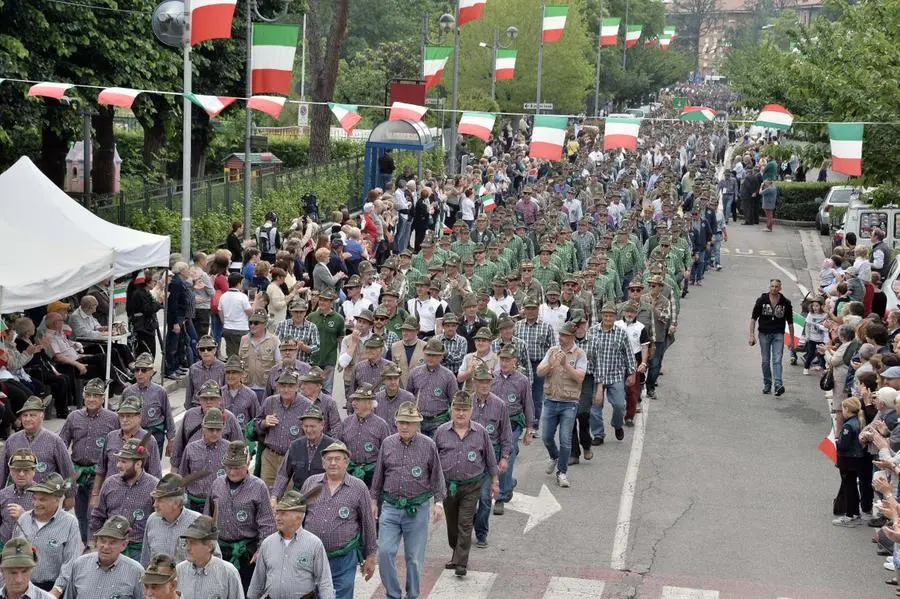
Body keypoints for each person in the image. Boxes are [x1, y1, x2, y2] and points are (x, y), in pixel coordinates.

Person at [370, 402, 445, 599]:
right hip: (391, 507)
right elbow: (379, 475)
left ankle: (413, 595)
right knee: (385, 552)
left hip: (417, 509)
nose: (405, 426)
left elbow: (437, 476)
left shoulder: (428, 445)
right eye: (401, 422)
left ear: (418, 424)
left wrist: (438, 503)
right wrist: (373, 500)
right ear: (396, 423)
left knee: (414, 559)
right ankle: (393, 594)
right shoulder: (387, 443)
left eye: (410, 423)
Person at [300, 441, 377, 599]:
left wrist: (370, 556)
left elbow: (368, 524)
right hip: (311, 557)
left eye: (337, 459)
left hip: (343, 559)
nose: (333, 463)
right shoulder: (310, 483)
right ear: (323, 462)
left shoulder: (358, 487)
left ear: (346, 462)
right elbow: (299, 516)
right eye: (329, 459)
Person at [433, 391, 498, 577]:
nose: (460, 414)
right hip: (448, 487)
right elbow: (433, 461)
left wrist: (494, 481)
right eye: (457, 409)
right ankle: (456, 552)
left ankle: (461, 563)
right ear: (451, 410)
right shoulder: (441, 432)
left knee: (465, 523)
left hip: (472, 486)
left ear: (471, 411)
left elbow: (490, 459)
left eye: (464, 410)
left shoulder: (481, 432)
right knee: (452, 525)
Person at [204, 441, 275, 590]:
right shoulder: (217, 484)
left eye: (237, 467)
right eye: (229, 467)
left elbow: (267, 523)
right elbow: (207, 518)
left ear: (247, 464)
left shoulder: (258, 486)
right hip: (220, 551)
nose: (232, 472)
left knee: (246, 592)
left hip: (247, 553)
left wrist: (260, 550)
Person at [57, 378, 118, 545]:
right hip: (76, 474)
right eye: (89, 395)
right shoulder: (73, 417)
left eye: (96, 396)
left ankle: (95, 545)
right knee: (80, 514)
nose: (92, 399)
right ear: (83, 397)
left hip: (99, 474)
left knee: (94, 513)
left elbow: (119, 444)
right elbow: (62, 445)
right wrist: (66, 475)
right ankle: (85, 544)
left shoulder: (113, 419)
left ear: (103, 398)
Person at [247, 488, 335, 599]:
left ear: (298, 518)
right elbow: (257, 581)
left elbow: (325, 581)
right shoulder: (268, 543)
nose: (277, 518)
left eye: (283, 514)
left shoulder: (314, 544)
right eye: (277, 513)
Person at [89, 436, 159, 561]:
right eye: (119, 460)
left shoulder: (154, 487)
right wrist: (95, 543)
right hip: (111, 549)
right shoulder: (110, 483)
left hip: (139, 551)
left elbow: (159, 524)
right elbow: (97, 515)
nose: (118, 465)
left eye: (124, 462)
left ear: (138, 464)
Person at [536, 322, 587, 488]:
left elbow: (580, 377)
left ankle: (562, 472)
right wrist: (551, 364)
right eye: (560, 335)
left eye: (564, 335)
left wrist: (565, 364)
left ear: (572, 337)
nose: (560, 338)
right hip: (551, 400)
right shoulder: (552, 351)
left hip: (569, 403)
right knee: (546, 437)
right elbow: (539, 372)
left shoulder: (580, 354)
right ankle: (554, 456)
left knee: (565, 440)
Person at [0, 397, 76, 508]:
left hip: (46, 499)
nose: (28, 419)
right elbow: (2, 471)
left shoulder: (55, 441)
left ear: (42, 416)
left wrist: (70, 495)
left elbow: (68, 471)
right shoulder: (12, 440)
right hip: (16, 500)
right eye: (25, 415)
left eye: (32, 415)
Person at [12, 473, 81, 591]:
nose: (36, 504)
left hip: (52, 588)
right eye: (34, 498)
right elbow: (13, 552)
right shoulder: (24, 519)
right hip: (22, 586)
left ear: (57, 499)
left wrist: (56, 592)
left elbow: (70, 562)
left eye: (42, 499)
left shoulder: (69, 523)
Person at [50, 515, 144, 599]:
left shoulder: (136, 571)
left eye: (112, 542)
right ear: (96, 541)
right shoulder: (80, 564)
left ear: (124, 545)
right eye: (102, 541)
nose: (106, 547)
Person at [141, 473, 220, 566]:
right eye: (155, 500)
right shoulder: (152, 520)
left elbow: (215, 559)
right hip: (159, 579)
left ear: (176, 503)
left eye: (160, 500)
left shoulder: (198, 522)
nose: (155, 505)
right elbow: (145, 559)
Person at [272, 405, 336, 499]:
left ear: (322, 425)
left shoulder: (333, 447)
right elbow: (283, 475)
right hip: (298, 497)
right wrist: (274, 497)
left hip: (324, 497)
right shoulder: (294, 446)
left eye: (312, 426)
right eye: (306, 426)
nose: (309, 430)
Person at [174, 515, 244, 599]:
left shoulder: (228, 572)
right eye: (187, 542)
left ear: (209, 546)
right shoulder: (179, 570)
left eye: (193, 543)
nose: (187, 548)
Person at [334, 386, 391, 488]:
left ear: (369, 403)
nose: (354, 403)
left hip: (372, 476)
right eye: (354, 400)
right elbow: (338, 446)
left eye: (358, 400)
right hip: (349, 473)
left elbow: (387, 453)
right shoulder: (346, 423)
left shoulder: (381, 425)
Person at [122, 352, 176, 456]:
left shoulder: (160, 391)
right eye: (137, 370)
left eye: (144, 370)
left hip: (154, 435)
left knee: (153, 468)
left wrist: (171, 440)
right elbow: (120, 417)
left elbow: (168, 416)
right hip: (133, 436)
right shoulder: (127, 392)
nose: (139, 373)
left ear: (151, 372)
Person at [749, 278, 794, 396]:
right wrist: (751, 335)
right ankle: (767, 384)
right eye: (772, 286)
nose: (774, 288)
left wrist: (792, 340)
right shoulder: (762, 300)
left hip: (778, 334)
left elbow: (790, 322)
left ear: (780, 288)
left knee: (777, 359)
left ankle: (778, 384)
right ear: (769, 287)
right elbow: (753, 318)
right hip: (764, 334)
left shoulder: (786, 302)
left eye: (776, 287)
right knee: (765, 360)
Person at [180, 408, 230, 512]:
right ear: (203, 428)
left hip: (220, 502)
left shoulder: (229, 449)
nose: (215, 433)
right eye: (211, 429)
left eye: (218, 429)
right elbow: (183, 475)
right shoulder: (191, 448)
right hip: (195, 503)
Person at [407, 338, 458, 437]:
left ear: (441, 357)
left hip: (439, 420)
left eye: (434, 355)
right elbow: (408, 395)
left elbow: (454, 402)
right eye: (428, 354)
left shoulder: (448, 376)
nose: (431, 358)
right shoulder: (414, 373)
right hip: (417, 419)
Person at [833, 397, 867, 527]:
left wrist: (835, 442)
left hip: (848, 459)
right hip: (856, 458)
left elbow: (843, 445)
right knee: (853, 485)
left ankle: (849, 515)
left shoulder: (848, 425)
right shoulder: (858, 421)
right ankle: (855, 512)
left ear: (847, 409)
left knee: (849, 487)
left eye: (843, 408)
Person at [0, 450, 37, 550]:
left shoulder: (42, 496)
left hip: (30, 551)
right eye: (17, 470)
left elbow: (49, 530)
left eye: (26, 470)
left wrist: (24, 517)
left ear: (34, 471)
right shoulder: (3, 495)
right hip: (4, 549)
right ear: (10, 471)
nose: (21, 474)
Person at [185, 334, 226, 410]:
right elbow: (189, 392)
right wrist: (188, 410)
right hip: (197, 407)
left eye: (209, 349)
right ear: (199, 352)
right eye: (202, 349)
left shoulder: (223, 368)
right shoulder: (193, 368)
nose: (206, 352)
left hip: (216, 409)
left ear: (215, 350)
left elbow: (226, 392)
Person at [219, 273, 253, 359]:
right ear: (239, 283)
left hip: (228, 328)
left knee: (231, 354)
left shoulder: (223, 296)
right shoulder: (242, 297)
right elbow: (249, 312)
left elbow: (220, 311)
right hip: (241, 328)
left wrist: (224, 322)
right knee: (243, 354)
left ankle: (231, 369)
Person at [373, 363, 414, 435]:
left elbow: (414, 423)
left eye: (396, 378)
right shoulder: (376, 398)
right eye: (389, 379)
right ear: (383, 380)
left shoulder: (408, 398)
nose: (393, 382)